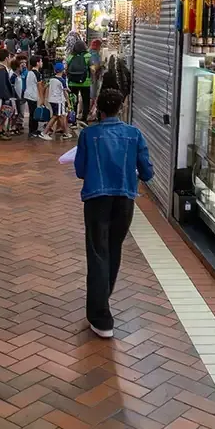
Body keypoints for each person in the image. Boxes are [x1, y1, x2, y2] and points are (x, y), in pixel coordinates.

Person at [74, 89, 155, 338]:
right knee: (114, 249)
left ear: (99, 107)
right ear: (122, 106)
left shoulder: (89, 134)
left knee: (98, 252)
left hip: (97, 198)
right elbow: (148, 172)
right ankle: (102, 303)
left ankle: (101, 316)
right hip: (125, 200)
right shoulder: (134, 134)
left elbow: (80, 170)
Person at [65, 43, 94, 127]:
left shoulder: (70, 56)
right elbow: (92, 69)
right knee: (85, 101)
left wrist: (69, 77)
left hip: (72, 82)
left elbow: (66, 69)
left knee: (73, 101)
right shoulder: (88, 56)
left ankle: (72, 121)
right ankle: (84, 119)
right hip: (85, 82)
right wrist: (93, 77)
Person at [14, 57, 43, 140]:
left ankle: (34, 129)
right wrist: (42, 98)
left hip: (29, 95)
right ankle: (32, 131)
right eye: (40, 61)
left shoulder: (29, 72)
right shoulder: (36, 74)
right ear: (37, 63)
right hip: (33, 96)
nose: (41, 63)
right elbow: (39, 86)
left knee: (33, 113)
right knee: (34, 113)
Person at [0, 55, 18, 139]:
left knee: (4, 112)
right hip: (1, 96)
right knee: (2, 113)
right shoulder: (2, 69)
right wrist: (7, 97)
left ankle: (1, 130)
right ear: (6, 58)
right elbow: (2, 84)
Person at [44, 63, 71, 140]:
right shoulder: (62, 80)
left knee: (60, 116)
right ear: (63, 70)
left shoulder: (51, 79)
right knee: (57, 116)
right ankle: (45, 132)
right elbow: (65, 92)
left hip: (52, 100)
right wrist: (68, 103)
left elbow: (46, 86)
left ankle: (66, 133)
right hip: (59, 100)